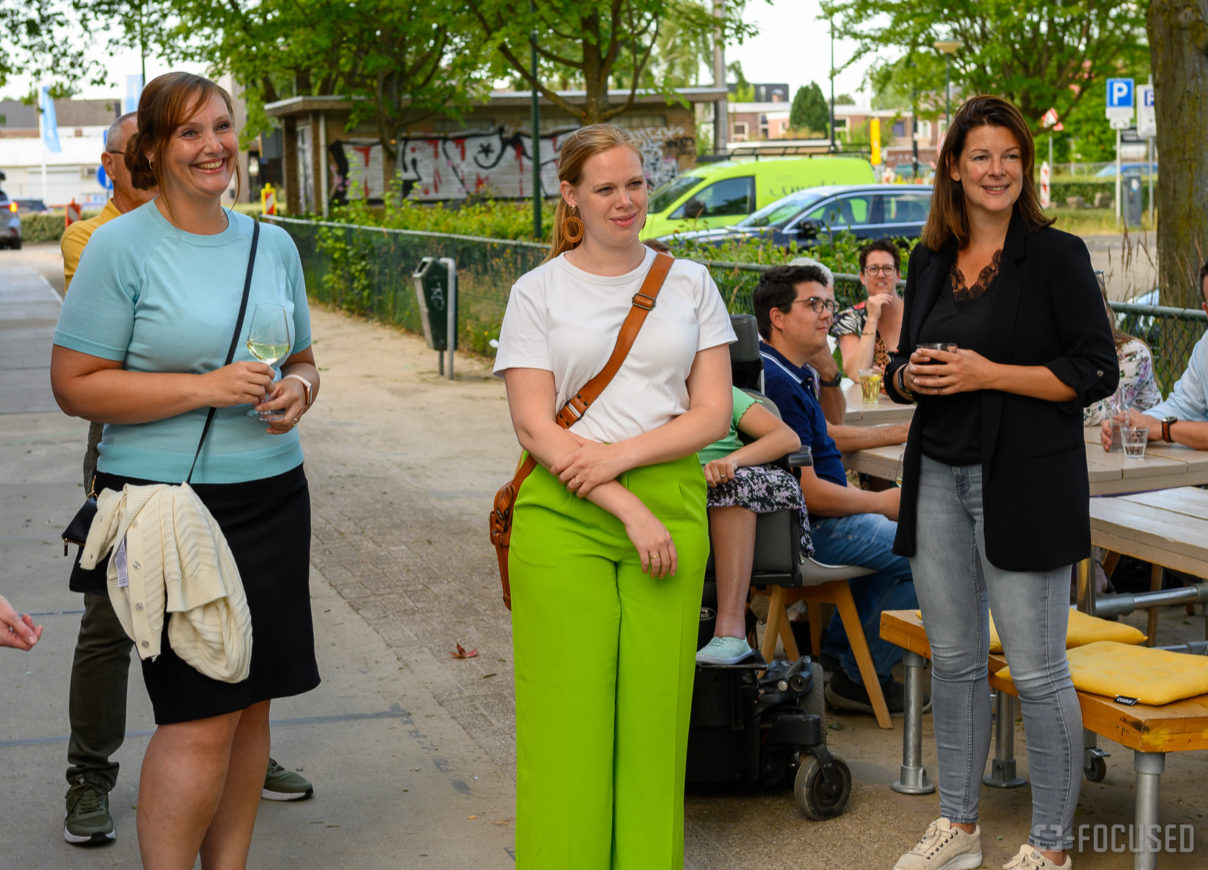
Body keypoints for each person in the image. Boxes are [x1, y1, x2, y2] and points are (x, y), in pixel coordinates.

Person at [50, 71, 321, 868]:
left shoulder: (271, 244)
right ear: (157, 151)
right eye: (191, 133)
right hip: (170, 507)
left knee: (250, 710)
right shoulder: (117, 248)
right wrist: (203, 388)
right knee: (200, 715)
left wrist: (300, 390)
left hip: (273, 494)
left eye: (223, 127)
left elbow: (303, 358)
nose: (214, 146)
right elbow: (75, 385)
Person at [883, 95, 1117, 870]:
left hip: (1025, 483)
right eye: (981, 156)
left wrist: (989, 373)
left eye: (1010, 156)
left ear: (1026, 168)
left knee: (1038, 668)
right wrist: (906, 374)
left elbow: (1094, 371)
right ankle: (959, 827)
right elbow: (900, 366)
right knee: (952, 661)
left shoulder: (1056, 256)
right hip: (939, 479)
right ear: (953, 166)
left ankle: (1048, 846)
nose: (997, 171)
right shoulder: (927, 260)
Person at [493, 123, 734, 868]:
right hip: (566, 512)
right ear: (571, 195)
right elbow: (534, 424)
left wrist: (623, 465)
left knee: (654, 727)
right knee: (566, 726)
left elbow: (712, 413)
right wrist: (622, 500)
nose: (625, 201)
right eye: (605, 188)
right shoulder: (537, 292)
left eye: (634, 184)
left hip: (668, 499)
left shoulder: (690, 282)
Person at [753, 264, 919, 715]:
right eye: (813, 304)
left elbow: (830, 429)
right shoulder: (778, 383)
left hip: (826, 520)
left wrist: (828, 373)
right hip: (812, 530)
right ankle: (858, 676)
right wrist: (883, 502)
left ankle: (840, 659)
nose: (827, 313)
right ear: (778, 317)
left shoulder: (794, 370)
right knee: (928, 546)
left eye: (828, 303)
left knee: (908, 540)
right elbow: (806, 492)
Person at [695, 385, 808, 665]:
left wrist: (730, 461)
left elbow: (787, 438)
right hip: (669, 482)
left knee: (731, 485)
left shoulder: (720, 391)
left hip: (723, 483)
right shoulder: (642, 392)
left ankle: (730, 632)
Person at [1101, 258, 1208, 450]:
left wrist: (1162, 428)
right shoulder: (1205, 347)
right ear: (1206, 311)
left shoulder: (1133, 353)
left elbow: (1165, 425)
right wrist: (1132, 423)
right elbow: (1183, 407)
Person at [1082, 284, 1160, 427]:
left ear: (1108, 313)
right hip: (1102, 442)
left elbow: (1100, 414)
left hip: (1145, 446)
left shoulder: (1134, 354)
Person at [830, 239, 904, 379]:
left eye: (887, 268)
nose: (881, 274)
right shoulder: (849, 318)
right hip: (869, 399)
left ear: (898, 276)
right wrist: (872, 318)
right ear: (862, 277)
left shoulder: (916, 312)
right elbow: (856, 374)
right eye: (873, 269)